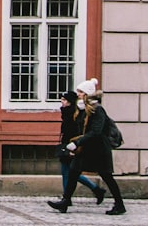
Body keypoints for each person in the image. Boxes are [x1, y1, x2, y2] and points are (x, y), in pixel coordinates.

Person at [48, 78, 126, 215]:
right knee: (73, 171)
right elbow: (80, 130)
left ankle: (119, 204)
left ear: (87, 94)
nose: (77, 94)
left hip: (99, 149)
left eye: (80, 92)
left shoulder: (98, 110)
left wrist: (76, 143)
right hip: (87, 149)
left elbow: (96, 132)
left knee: (107, 176)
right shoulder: (82, 110)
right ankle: (65, 202)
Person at [57, 90, 106, 204]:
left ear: (70, 101)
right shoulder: (67, 111)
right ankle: (96, 190)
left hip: (73, 144)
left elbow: (77, 130)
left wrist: (74, 145)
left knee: (69, 172)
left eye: (64, 100)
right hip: (69, 143)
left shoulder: (74, 113)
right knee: (71, 172)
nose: (61, 102)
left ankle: (67, 198)